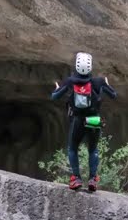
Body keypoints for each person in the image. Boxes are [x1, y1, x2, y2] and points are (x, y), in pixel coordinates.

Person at [50, 51, 117, 191]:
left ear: (76, 65)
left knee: (72, 148)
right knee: (93, 149)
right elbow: (114, 95)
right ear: (90, 66)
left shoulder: (70, 81)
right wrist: (106, 85)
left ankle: (76, 178)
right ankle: (93, 179)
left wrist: (57, 89)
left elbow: (55, 97)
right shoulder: (98, 82)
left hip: (78, 119)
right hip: (94, 119)